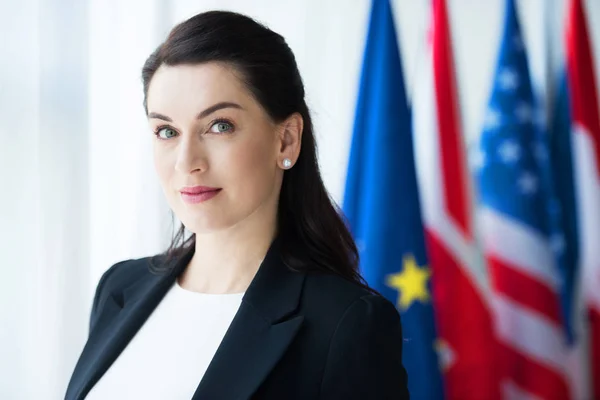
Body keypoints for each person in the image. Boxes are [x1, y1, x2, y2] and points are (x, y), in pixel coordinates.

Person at [65, 10, 409, 400]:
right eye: (166, 131)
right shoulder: (119, 287)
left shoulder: (345, 324)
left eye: (219, 126)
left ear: (286, 141)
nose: (186, 161)